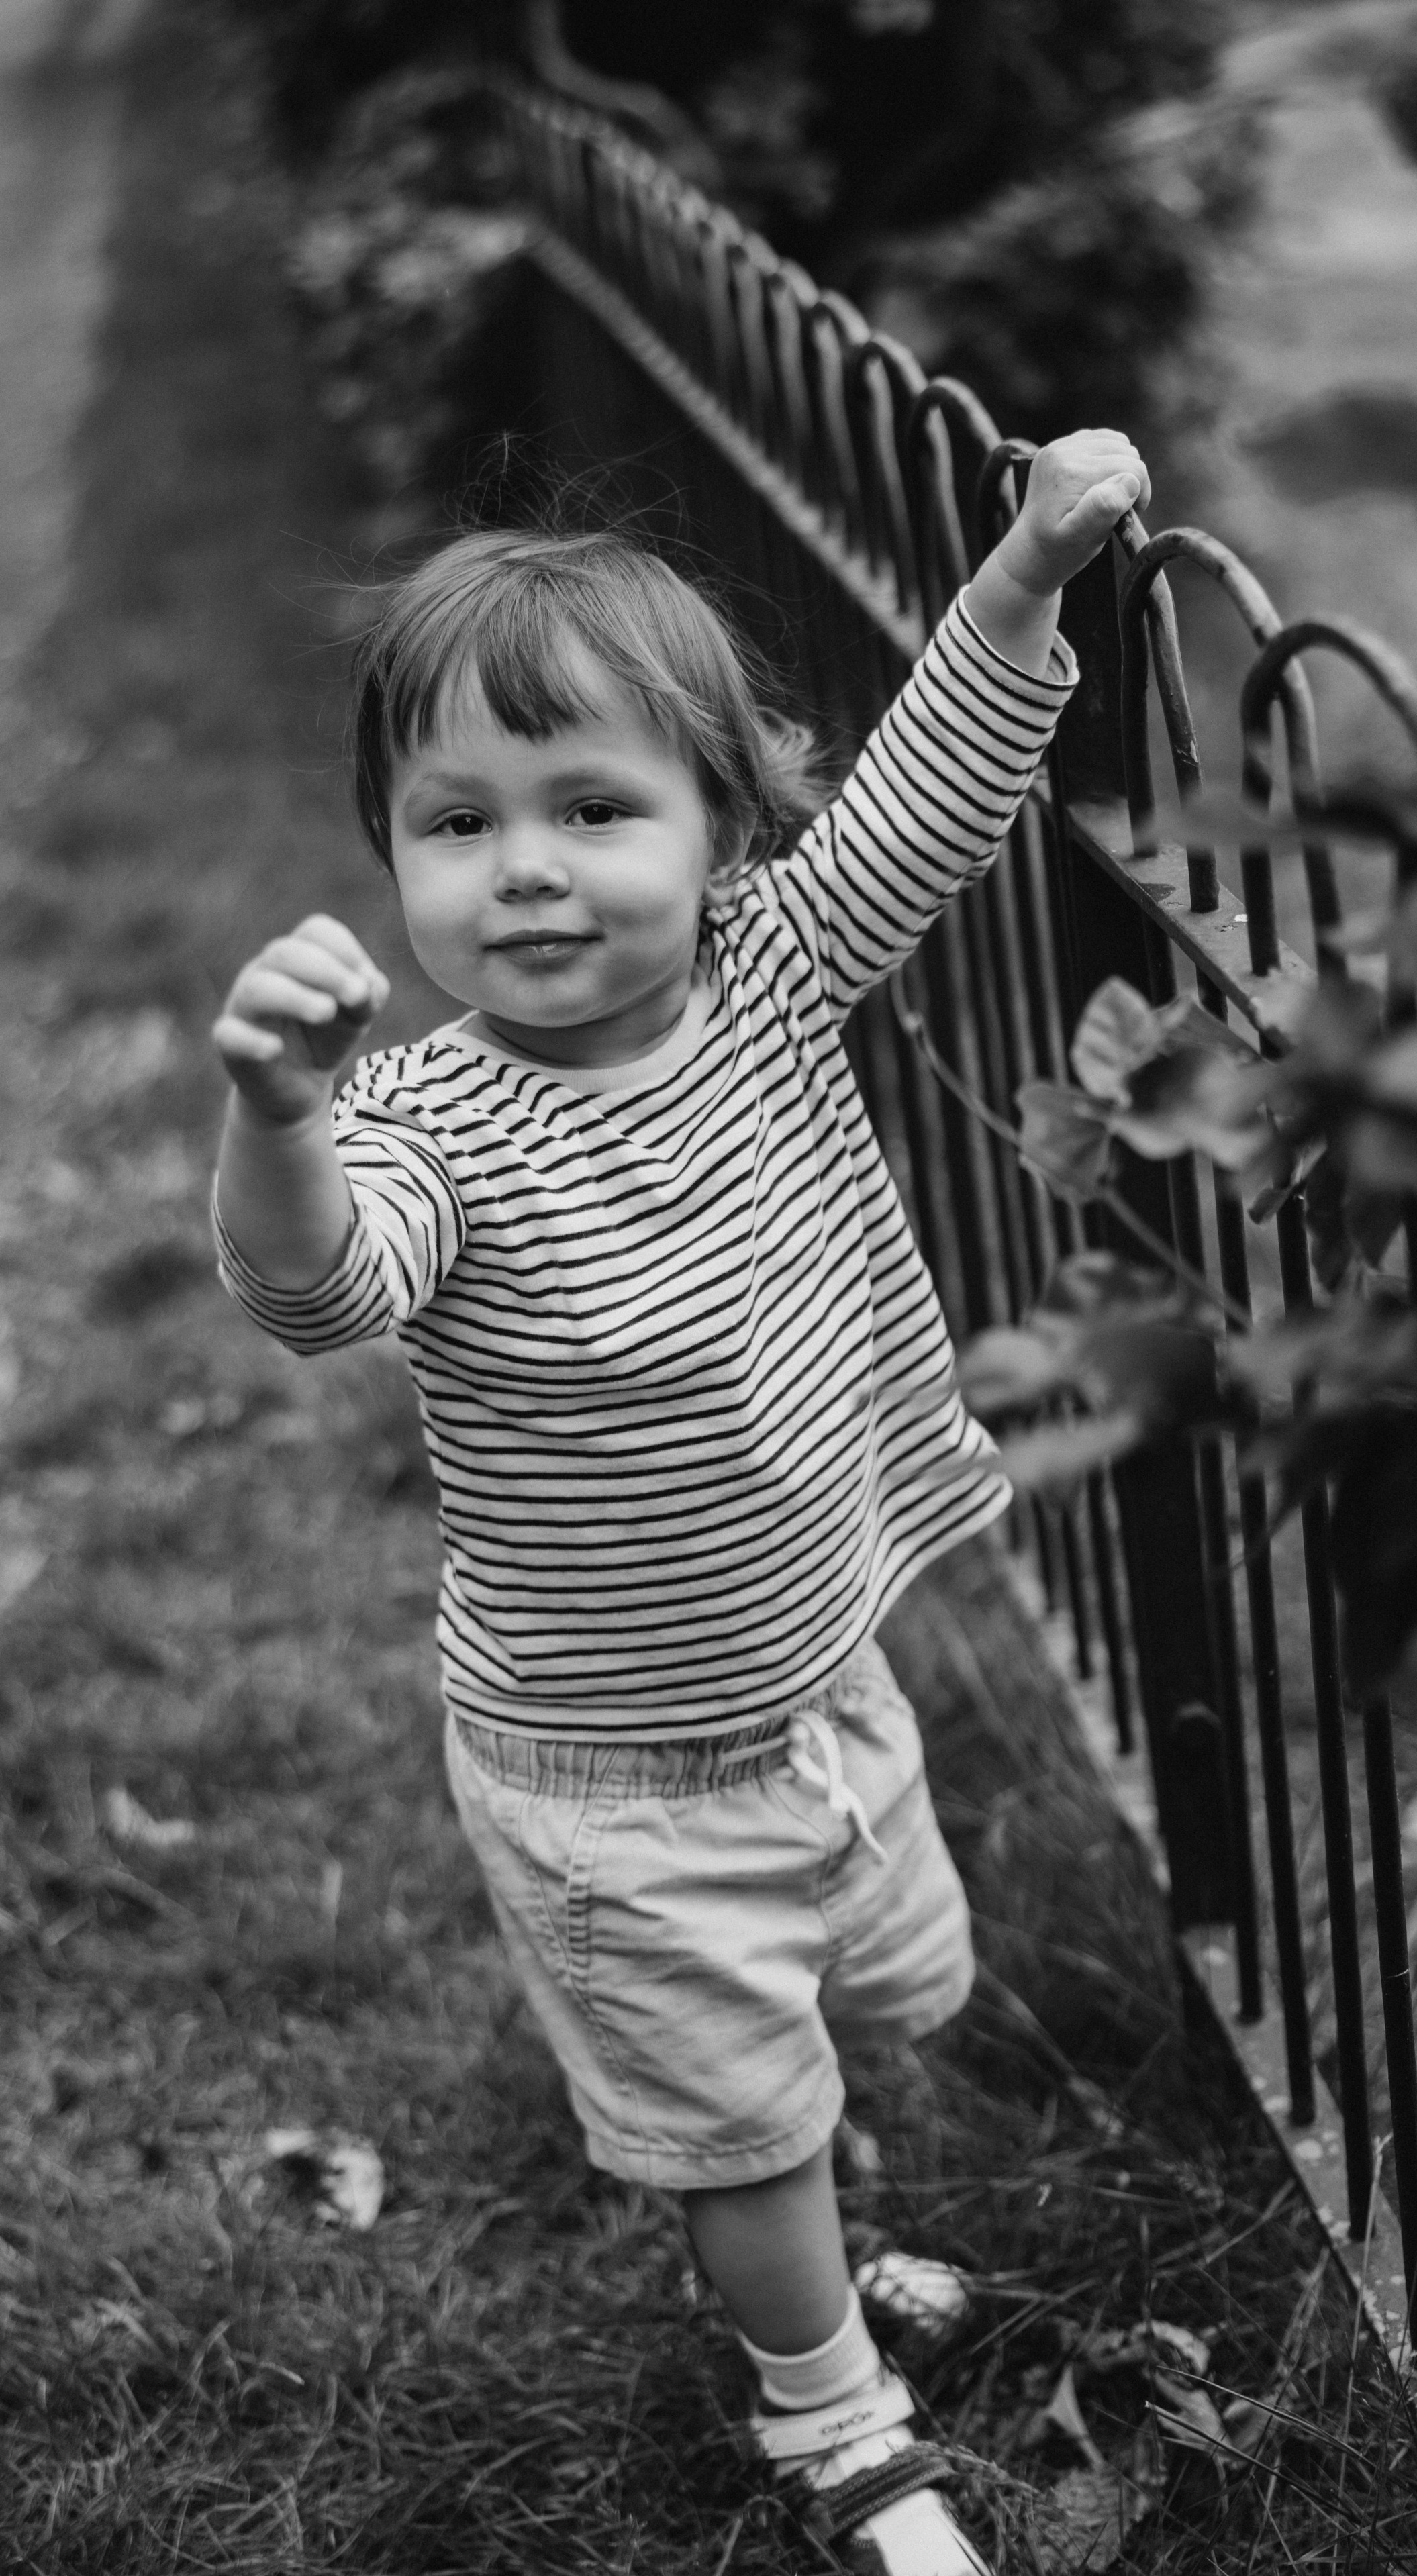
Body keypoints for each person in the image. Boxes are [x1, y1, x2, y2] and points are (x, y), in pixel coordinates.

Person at [211, 428, 1147, 2576]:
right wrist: (273, 1111)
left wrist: (1019, 575)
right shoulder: (430, 1127)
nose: (522, 870)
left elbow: (938, 786)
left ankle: (826, 2233)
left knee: (858, 2000)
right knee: (739, 2118)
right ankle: (831, 2423)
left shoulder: (775, 983)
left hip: (814, 1673)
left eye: (593, 808)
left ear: (729, 835)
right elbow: (315, 1287)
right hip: (614, 1768)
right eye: (458, 825)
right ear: (395, 851)